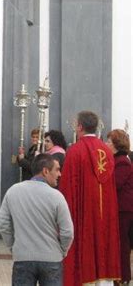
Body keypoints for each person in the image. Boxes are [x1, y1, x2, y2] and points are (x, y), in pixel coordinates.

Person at [59, 111, 121, 285]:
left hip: (83, 216)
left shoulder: (75, 151)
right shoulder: (107, 152)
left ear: (80, 127)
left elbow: (67, 189)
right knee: (104, 247)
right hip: (106, 216)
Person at [0, 154, 74, 285]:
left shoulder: (13, 191)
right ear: (45, 171)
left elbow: (3, 224)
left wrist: (14, 247)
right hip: (51, 259)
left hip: (23, 257)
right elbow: (67, 232)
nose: (59, 174)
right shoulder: (57, 196)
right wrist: (62, 251)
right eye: (57, 169)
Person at [106, 129, 133, 285]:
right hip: (121, 209)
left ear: (116, 145)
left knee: (122, 244)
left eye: (109, 141)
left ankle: (123, 277)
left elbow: (114, 184)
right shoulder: (117, 160)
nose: (106, 144)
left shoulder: (122, 161)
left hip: (124, 210)